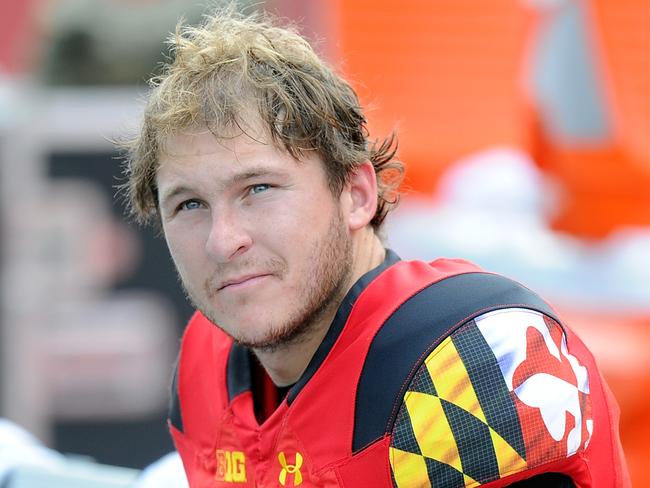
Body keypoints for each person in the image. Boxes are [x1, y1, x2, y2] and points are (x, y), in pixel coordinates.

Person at [120, 7, 630, 487]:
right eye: (188, 205)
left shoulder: (467, 358)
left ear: (356, 195)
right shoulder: (205, 362)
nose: (223, 240)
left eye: (258, 189)